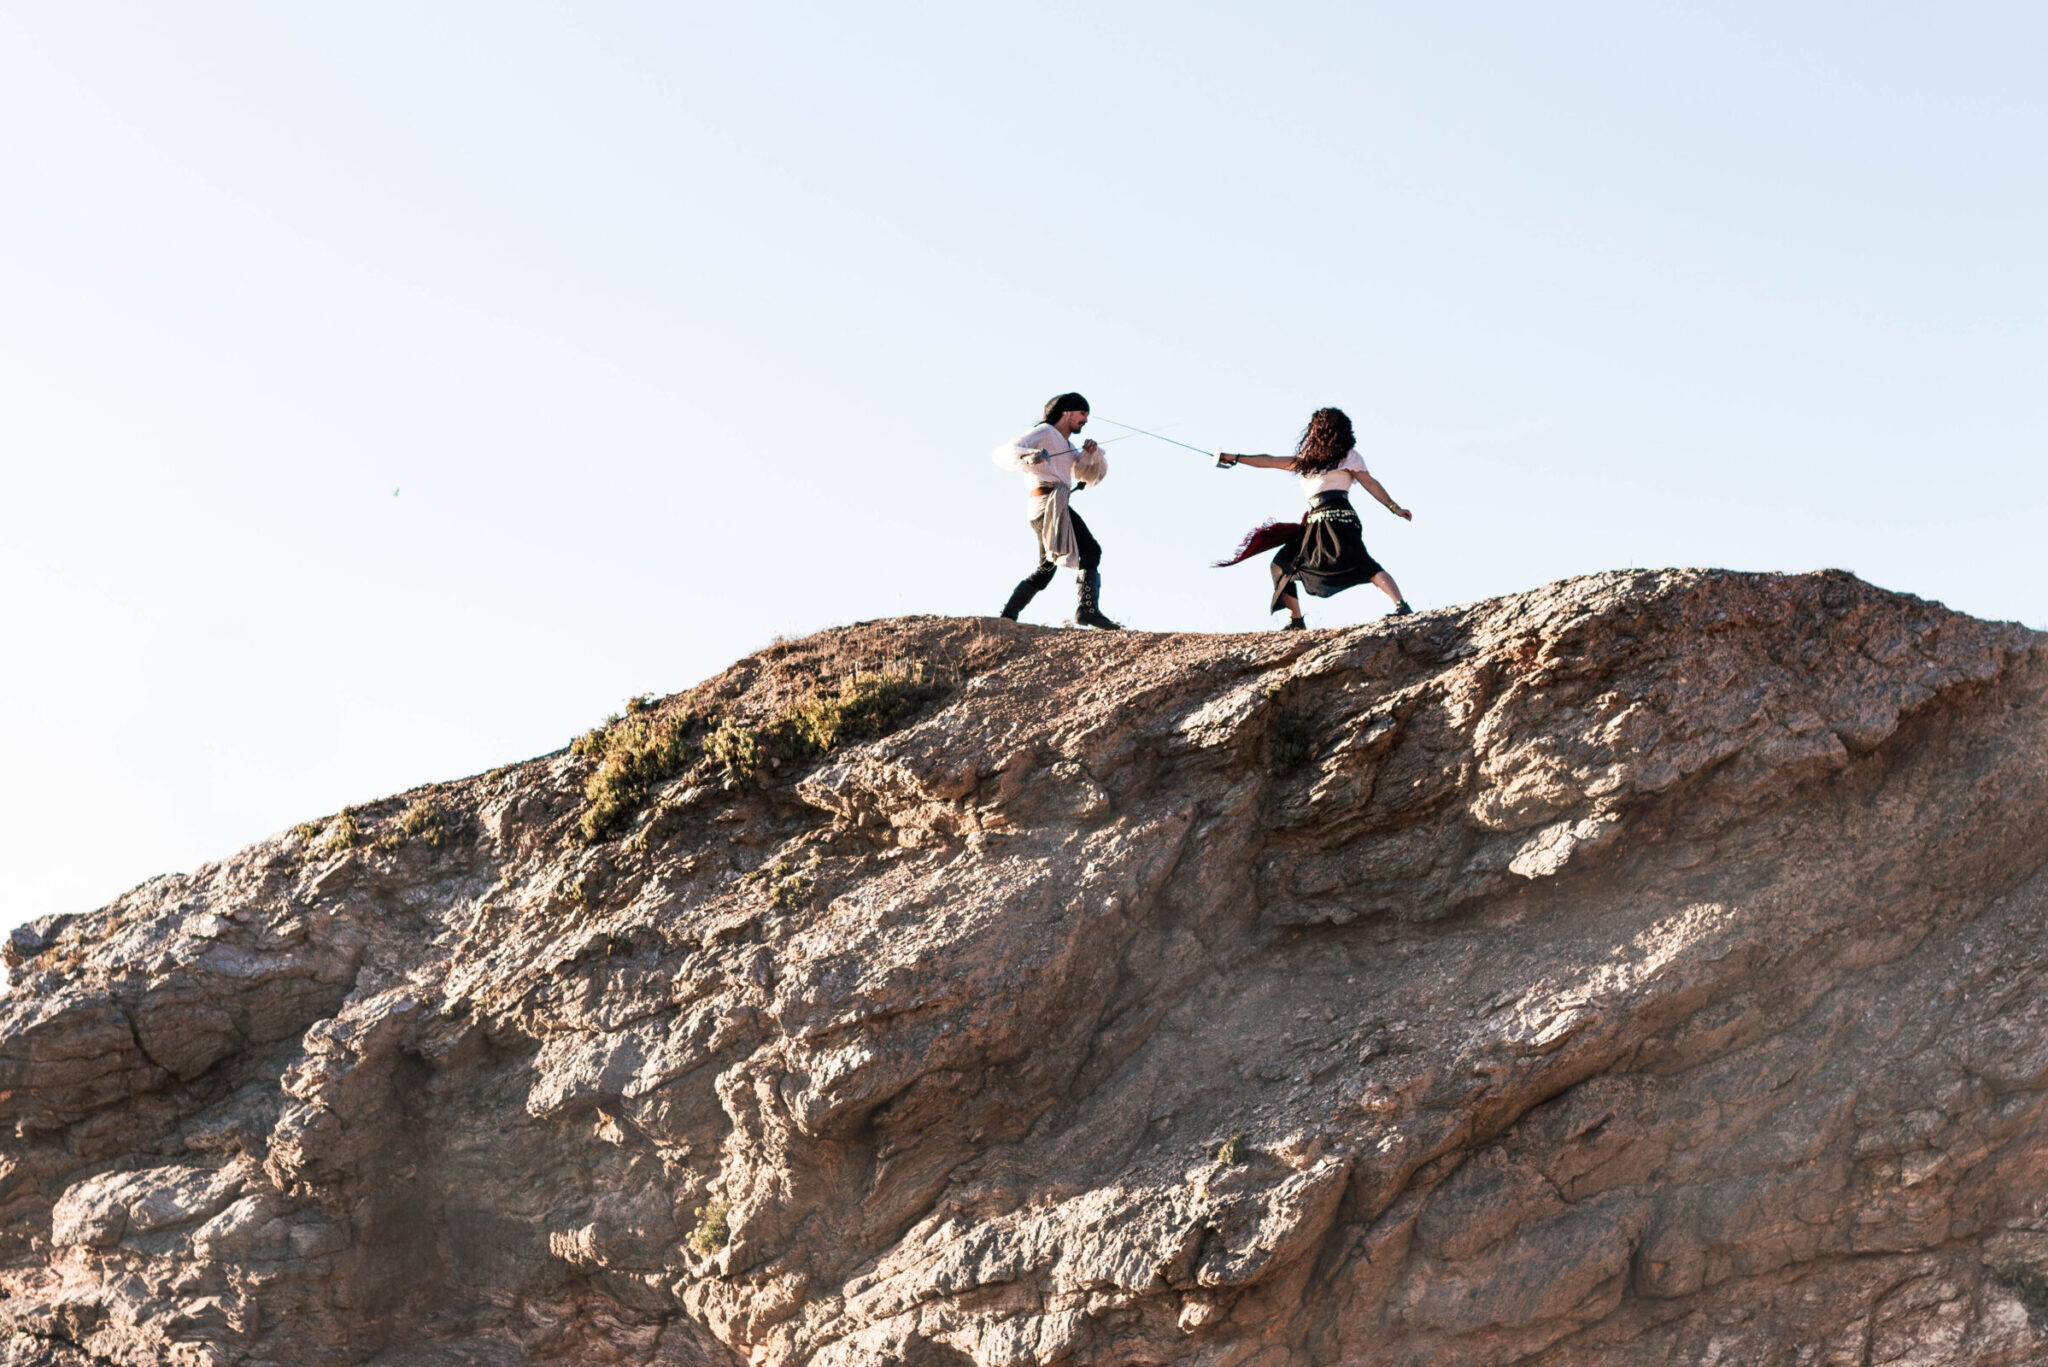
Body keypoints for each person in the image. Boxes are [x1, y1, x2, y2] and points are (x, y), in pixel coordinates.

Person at [1215, 407, 1413, 628]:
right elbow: (1268, 461)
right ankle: (1296, 621)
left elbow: (1370, 483)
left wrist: (1394, 507)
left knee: (1362, 563)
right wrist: (1234, 458)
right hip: (1316, 522)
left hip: (1340, 520)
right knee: (1283, 564)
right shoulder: (1307, 461)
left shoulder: (1349, 457)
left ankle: (1402, 606)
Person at [990, 392, 1121, 629]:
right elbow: (1006, 452)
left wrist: (1090, 454)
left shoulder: (1067, 445)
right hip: (1046, 505)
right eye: (1082, 414)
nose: (1085, 420)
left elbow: (1085, 474)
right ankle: (1087, 612)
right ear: (1067, 413)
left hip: (1057, 505)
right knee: (1087, 551)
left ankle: (1008, 616)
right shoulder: (1045, 432)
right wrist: (1030, 457)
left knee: (1049, 567)